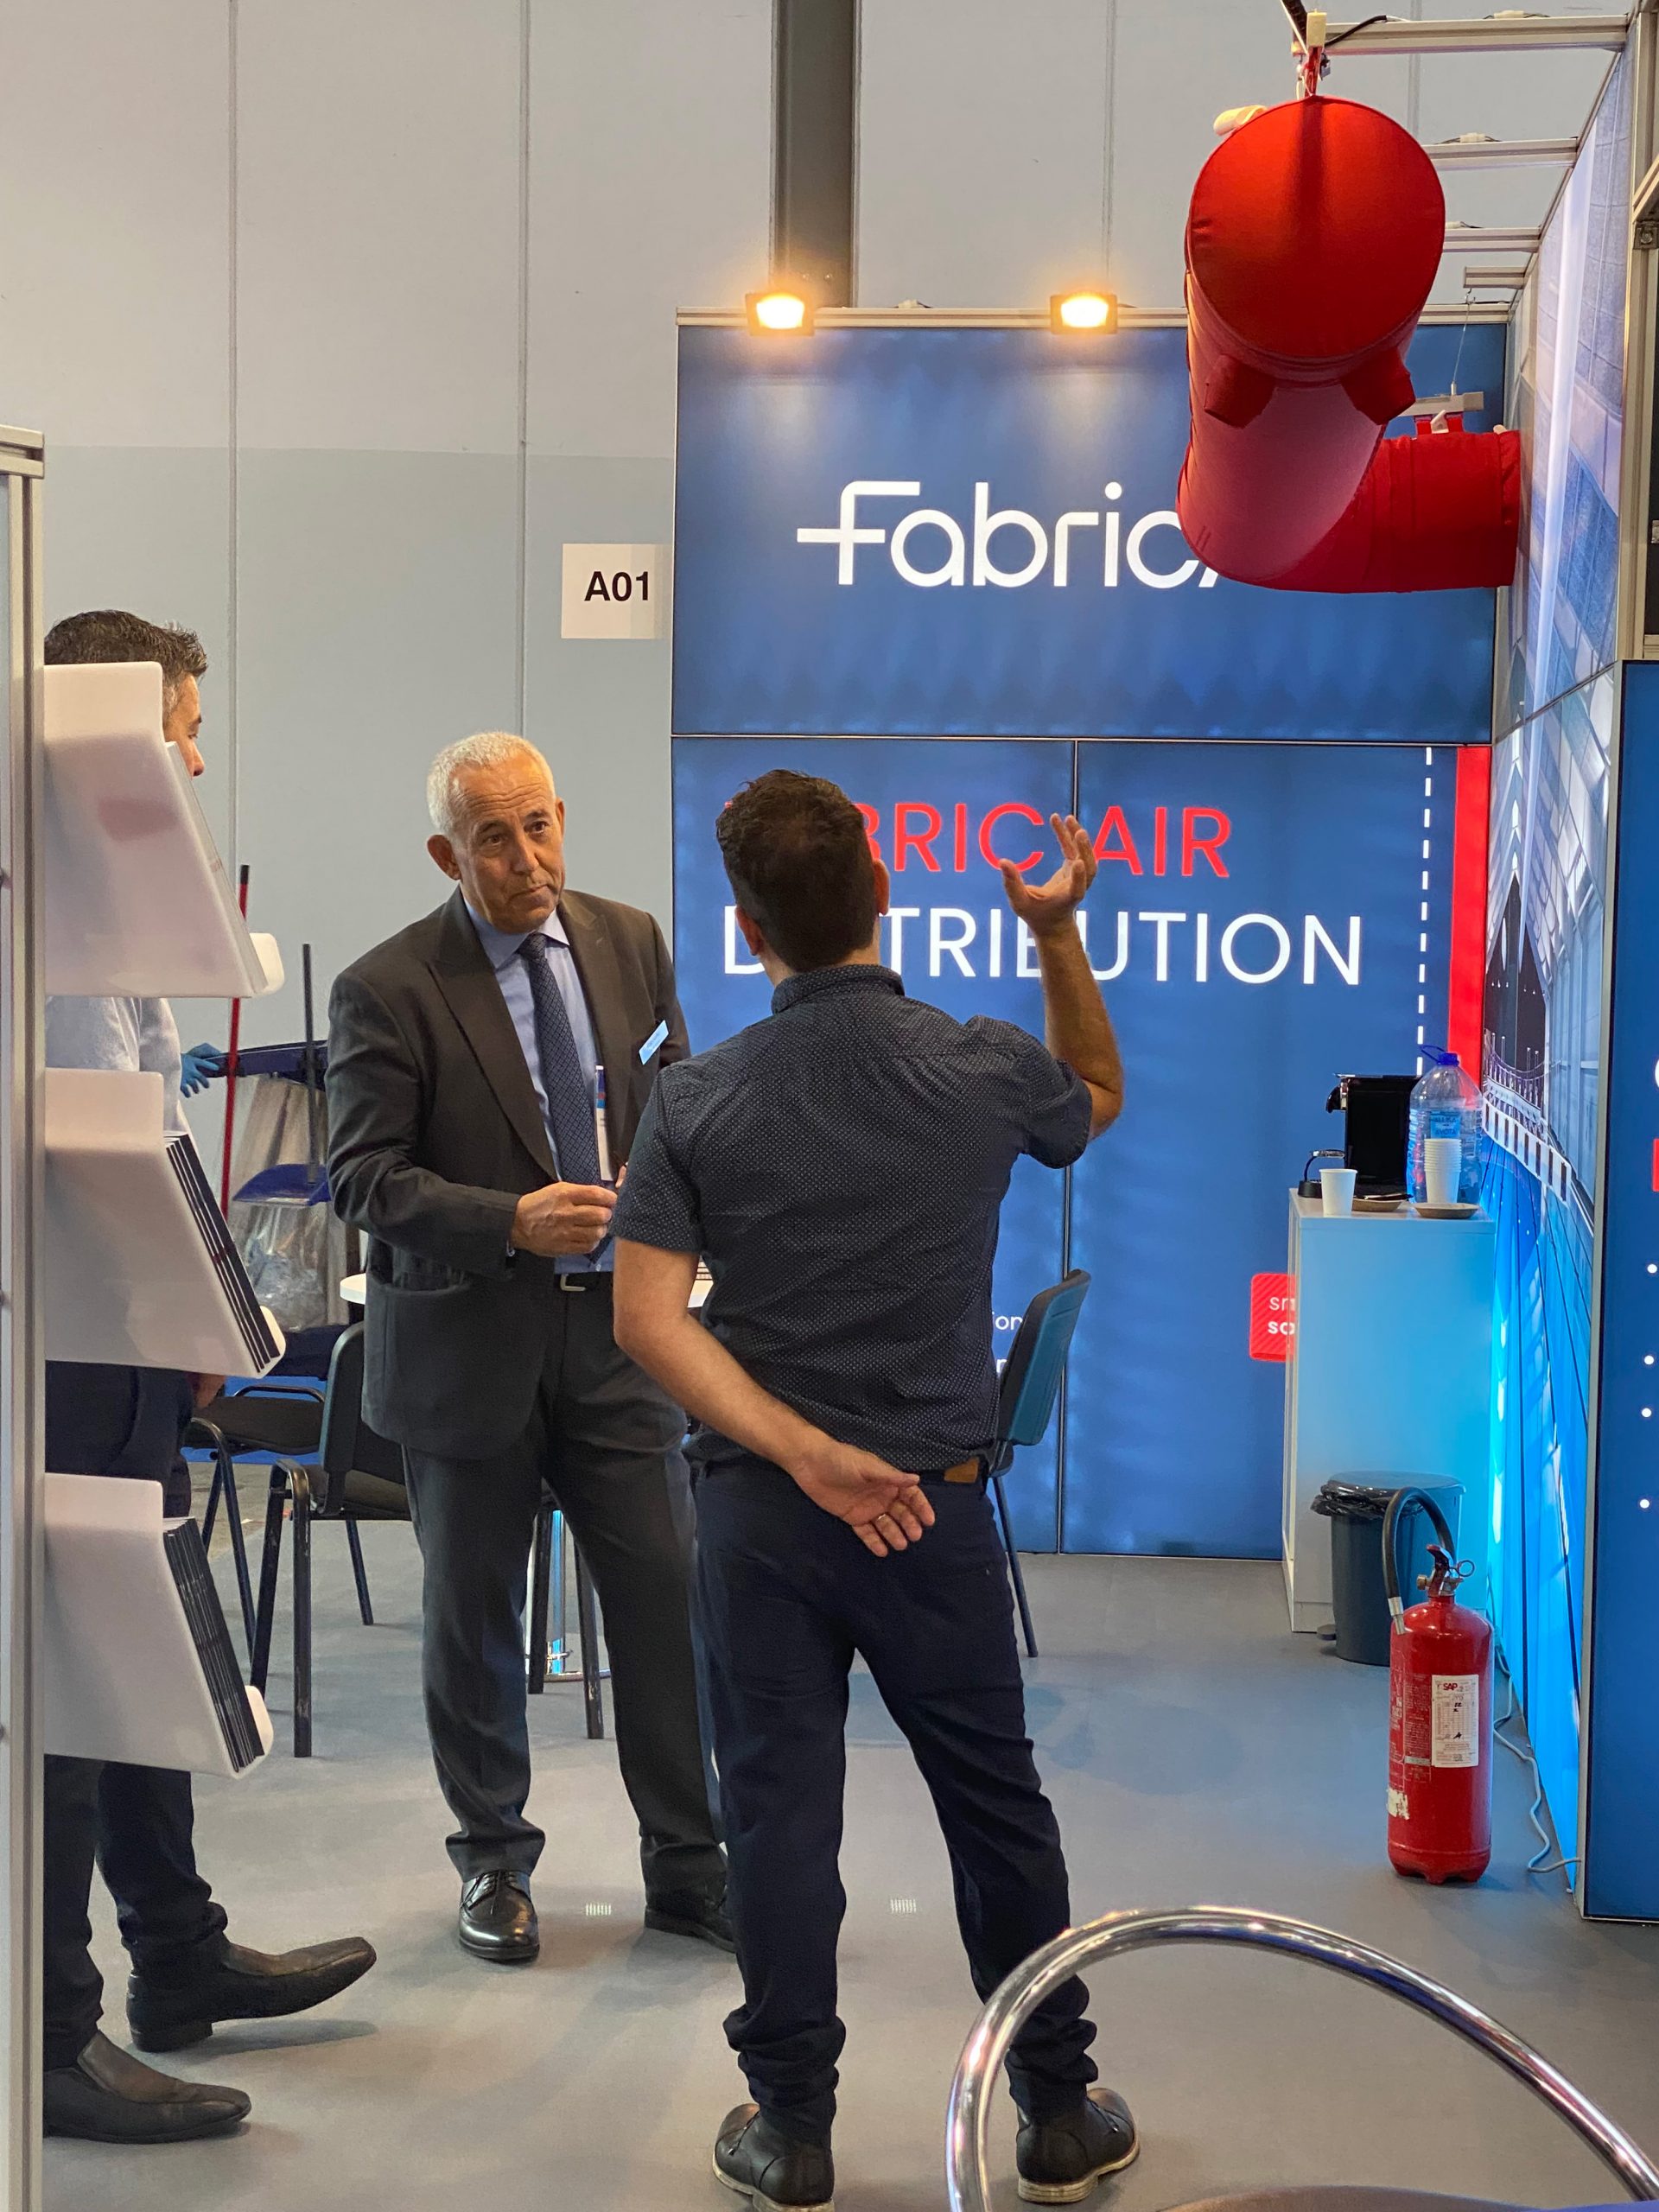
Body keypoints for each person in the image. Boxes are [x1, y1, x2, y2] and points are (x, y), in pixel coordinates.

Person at [613, 771, 1134, 2212]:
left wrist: (800, 1453)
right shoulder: (978, 1065)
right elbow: (1094, 1094)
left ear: (747, 929)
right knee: (995, 1808)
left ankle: (791, 2130)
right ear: (884, 897)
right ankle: (1059, 2110)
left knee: (777, 1817)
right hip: (932, 1511)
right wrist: (1055, 933)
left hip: (764, 1517)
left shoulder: (694, 1098)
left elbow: (646, 1322)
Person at [41, 609, 376, 2145]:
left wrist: (194, 1328)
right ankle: (54, 2032)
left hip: (124, 1342)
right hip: (63, 1350)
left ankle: (177, 1955)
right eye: (179, 730)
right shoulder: (47, 911)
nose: (190, 759)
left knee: (140, 1665)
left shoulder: (113, 908)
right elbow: (87, 1156)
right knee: (72, 1686)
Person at [326, 732, 728, 1966]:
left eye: (538, 826)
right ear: (447, 854)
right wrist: (509, 1218)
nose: (524, 858)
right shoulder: (387, 986)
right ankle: (493, 1862)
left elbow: (677, 1099)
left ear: (563, 819)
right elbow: (362, 1178)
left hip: (621, 1338)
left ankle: (691, 1865)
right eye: (492, 839)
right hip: (465, 1347)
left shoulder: (631, 941)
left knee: (665, 1602)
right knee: (475, 1621)